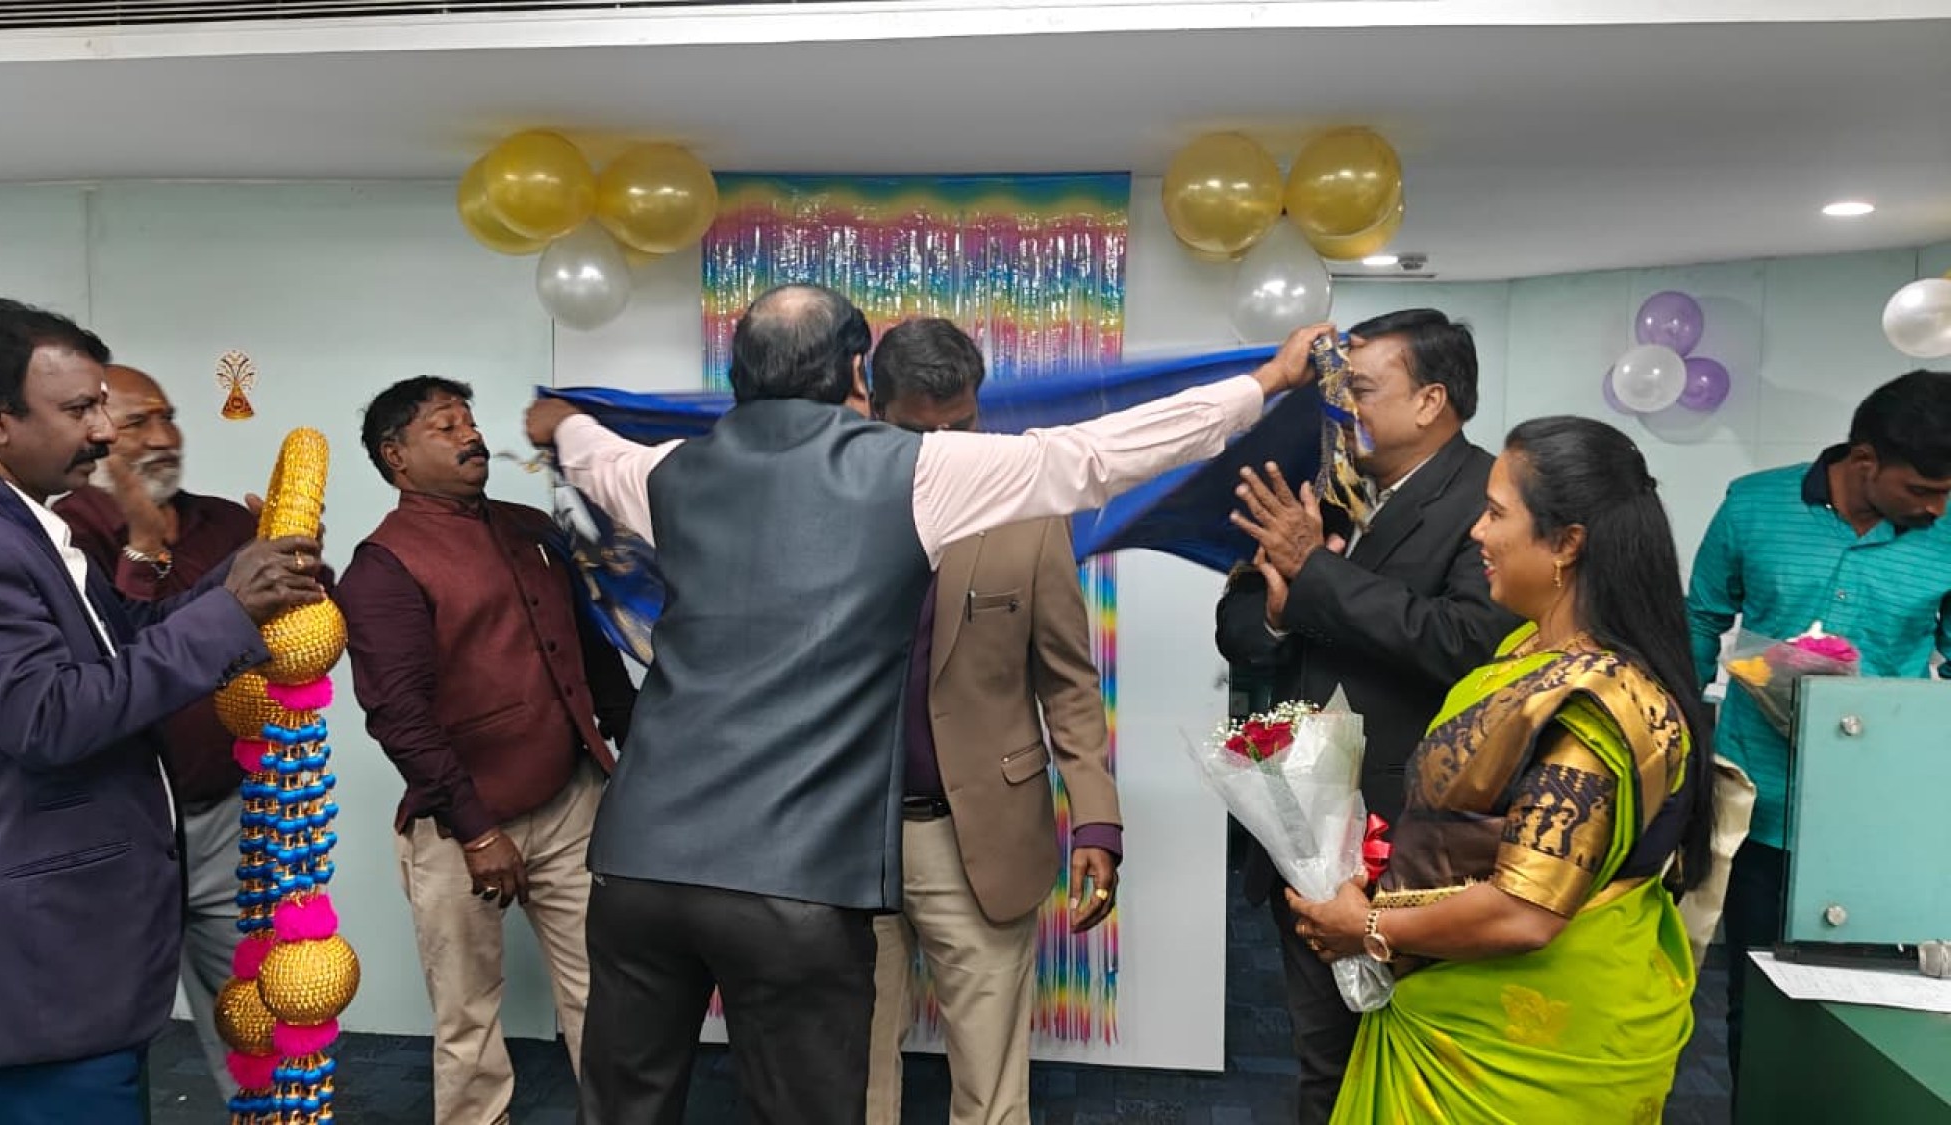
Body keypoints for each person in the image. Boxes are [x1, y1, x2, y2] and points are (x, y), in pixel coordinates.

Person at [523, 282, 1311, 1124]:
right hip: (799, 869)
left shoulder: (670, 472)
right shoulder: (913, 473)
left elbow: (596, 455)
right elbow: (1095, 455)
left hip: (639, 862)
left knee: (622, 1109)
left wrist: (561, 422)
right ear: (857, 377)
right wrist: (1266, 381)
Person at [0, 299, 323, 1124]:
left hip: (81, 959)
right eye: (78, 410)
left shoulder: (22, 520)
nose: (103, 433)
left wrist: (238, 585)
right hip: (34, 980)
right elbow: (47, 714)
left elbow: (123, 647)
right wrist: (228, 614)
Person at [1291, 416, 1715, 1121]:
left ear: (1567, 543)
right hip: (1465, 1003)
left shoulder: (1588, 705)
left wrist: (1368, 925)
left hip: (1519, 1048)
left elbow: (1526, 911)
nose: (1477, 533)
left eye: (1495, 514)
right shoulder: (1528, 647)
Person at [1214, 310, 1519, 1122]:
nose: (1341, 407)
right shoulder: (1331, 490)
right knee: (1326, 1064)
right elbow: (1240, 623)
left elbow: (1467, 642)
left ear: (1430, 401)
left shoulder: (1489, 501)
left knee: (1415, 1077)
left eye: (1360, 389)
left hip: (1416, 848)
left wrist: (1315, 574)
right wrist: (1278, 606)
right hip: (1309, 832)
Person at [334, 376, 636, 1125]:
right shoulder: (383, 566)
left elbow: (592, 650)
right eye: (444, 427)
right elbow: (398, 715)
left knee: (604, 992)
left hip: (569, 801)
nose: (470, 436)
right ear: (396, 456)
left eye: (468, 420)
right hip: (459, 825)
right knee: (467, 1012)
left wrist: (635, 752)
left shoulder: (531, 528)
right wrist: (475, 831)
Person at [861, 319, 1119, 1125]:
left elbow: (1068, 680)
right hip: (844, 834)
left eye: (962, 427)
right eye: (919, 433)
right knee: (850, 1075)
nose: (947, 451)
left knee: (993, 1085)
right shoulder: (829, 507)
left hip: (980, 836)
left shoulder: (1028, 507)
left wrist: (1097, 820)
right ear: (872, 408)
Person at [1686, 368, 1951, 1101]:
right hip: (1757, 802)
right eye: (1922, 490)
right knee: (1751, 998)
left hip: (1878, 815)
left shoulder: (1949, 531)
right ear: (1865, 460)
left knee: (1869, 1005)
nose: (1937, 507)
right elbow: (1700, 621)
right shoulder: (1752, 504)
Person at [53, 363, 275, 1103]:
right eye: (137, 422)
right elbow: (110, 667)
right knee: (107, 1039)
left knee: (258, 1022)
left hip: (227, 816)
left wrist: (295, 558)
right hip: (118, 830)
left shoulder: (227, 524)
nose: (162, 436)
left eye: (168, 417)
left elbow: (293, 632)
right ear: (92, 432)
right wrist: (141, 548)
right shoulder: (63, 536)